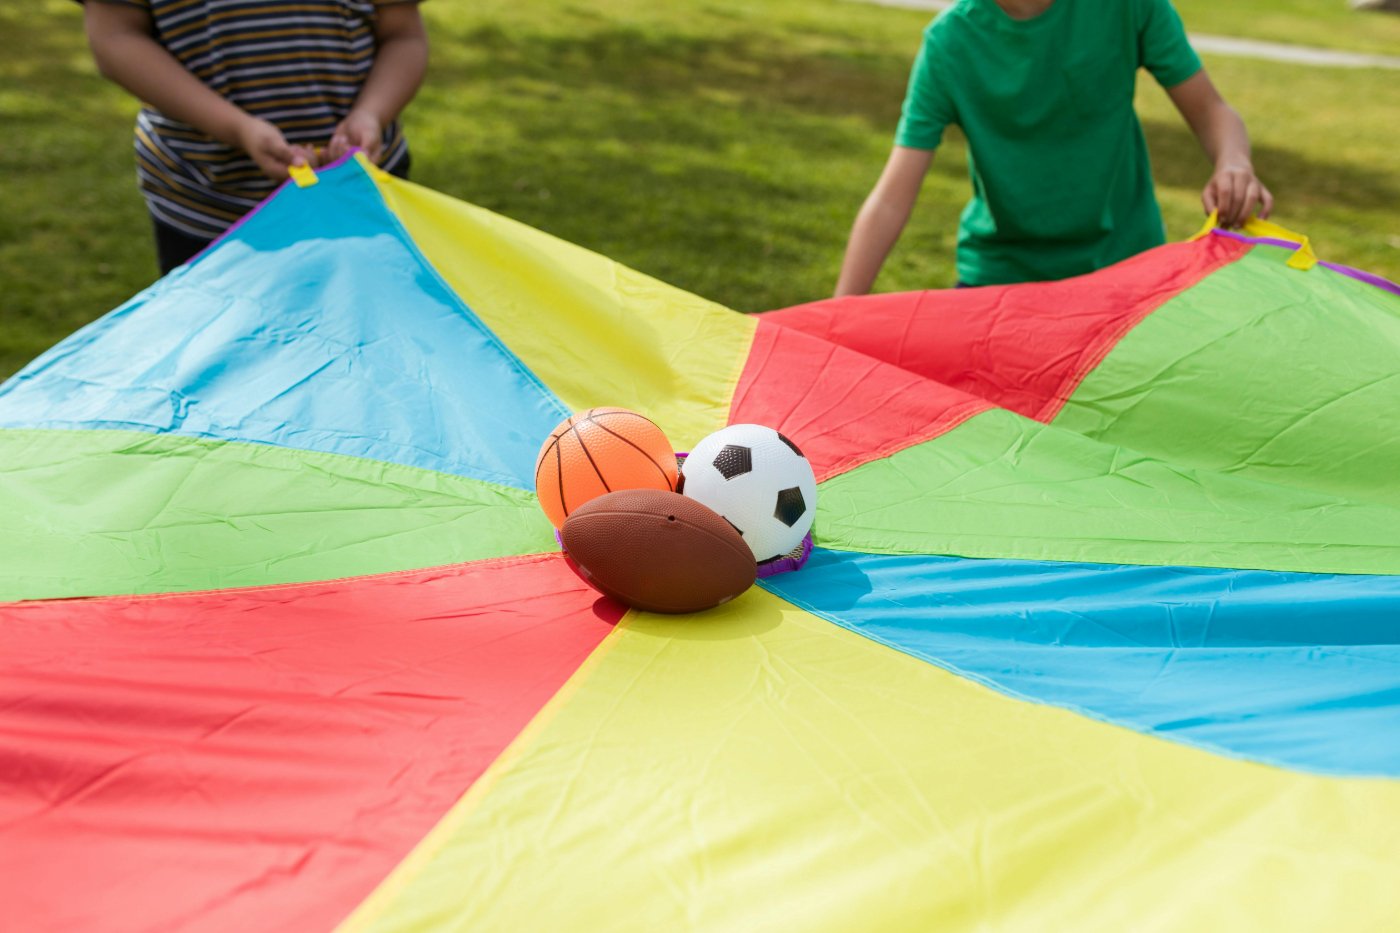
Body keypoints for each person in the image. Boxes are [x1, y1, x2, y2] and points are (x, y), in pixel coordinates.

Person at [835, 0, 1273, 294]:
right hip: (1000, 283)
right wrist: (834, 317)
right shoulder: (950, 43)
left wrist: (1233, 162)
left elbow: (1212, 110)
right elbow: (891, 199)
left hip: (1129, 274)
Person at [80, 0, 429, 274]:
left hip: (363, 193)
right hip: (207, 201)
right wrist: (237, 128)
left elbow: (403, 34)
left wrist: (372, 113)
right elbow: (114, 36)